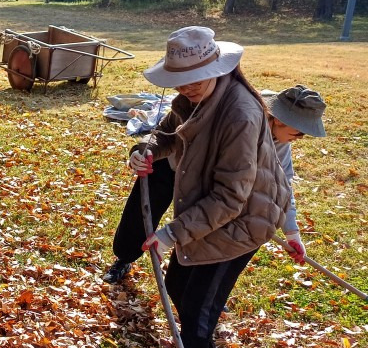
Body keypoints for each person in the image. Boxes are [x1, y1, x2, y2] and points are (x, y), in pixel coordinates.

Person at [117, 26, 291, 348]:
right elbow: (168, 134)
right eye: (180, 79)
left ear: (217, 67)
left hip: (243, 223)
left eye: (195, 77)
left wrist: (171, 234)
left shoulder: (240, 114)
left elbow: (231, 198)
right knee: (179, 285)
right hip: (210, 212)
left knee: (197, 312)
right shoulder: (193, 98)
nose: (188, 86)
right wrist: (145, 151)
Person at [102, 84, 328, 287]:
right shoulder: (238, 113)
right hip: (171, 164)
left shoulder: (280, 143)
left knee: (200, 224)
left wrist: (292, 232)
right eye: (299, 132)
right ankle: (125, 257)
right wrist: (144, 150)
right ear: (280, 119)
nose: (299, 138)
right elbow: (166, 132)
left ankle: (195, 290)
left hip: (207, 182)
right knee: (141, 216)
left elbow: (281, 187)